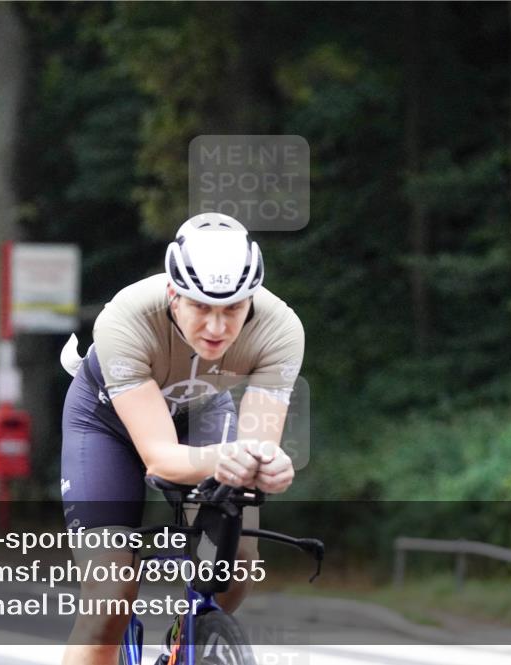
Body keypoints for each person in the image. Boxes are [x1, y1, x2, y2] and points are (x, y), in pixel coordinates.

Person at [58, 212, 304, 665]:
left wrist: (268, 465)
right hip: (104, 424)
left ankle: (182, 643)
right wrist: (229, 457)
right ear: (173, 293)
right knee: (110, 593)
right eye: (200, 307)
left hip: (202, 411)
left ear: (252, 299)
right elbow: (161, 459)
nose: (216, 328)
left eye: (233, 309)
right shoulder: (125, 318)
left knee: (240, 564)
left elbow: (256, 448)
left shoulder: (280, 330)